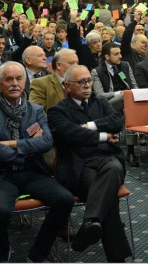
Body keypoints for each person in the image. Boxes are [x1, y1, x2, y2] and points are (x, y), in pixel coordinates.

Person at [0, 61, 74, 263]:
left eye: (19, 79)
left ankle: (39, 252)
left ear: (25, 82)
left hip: (32, 172)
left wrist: (13, 144)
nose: (14, 83)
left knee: (65, 199)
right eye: (9, 79)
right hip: (0, 175)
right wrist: (28, 149)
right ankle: (2, 252)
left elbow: (47, 142)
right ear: (0, 83)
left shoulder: (35, 110)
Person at [47, 65, 133, 262]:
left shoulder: (100, 102)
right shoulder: (57, 111)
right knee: (108, 197)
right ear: (68, 86)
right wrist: (103, 135)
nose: (87, 85)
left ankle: (90, 222)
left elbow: (117, 121)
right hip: (80, 165)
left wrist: (91, 126)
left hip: (108, 159)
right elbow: (70, 134)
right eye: (82, 82)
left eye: (89, 81)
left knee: (112, 167)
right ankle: (115, 256)